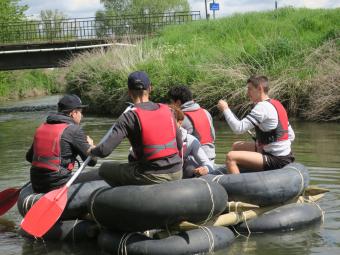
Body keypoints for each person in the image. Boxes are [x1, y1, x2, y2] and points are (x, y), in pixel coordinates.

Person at [89, 71, 183, 186]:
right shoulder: (169, 110)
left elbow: (104, 151)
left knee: (104, 168)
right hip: (177, 171)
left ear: (129, 92)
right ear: (150, 88)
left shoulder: (129, 116)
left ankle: (126, 198)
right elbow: (179, 145)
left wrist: (91, 150)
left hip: (152, 174)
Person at [217, 75, 295, 174]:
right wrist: (266, 144)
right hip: (285, 155)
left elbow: (238, 129)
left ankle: (238, 185)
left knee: (230, 157)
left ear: (259, 89)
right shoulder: (276, 104)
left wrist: (225, 109)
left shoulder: (262, 107)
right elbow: (291, 136)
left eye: (249, 89)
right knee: (236, 146)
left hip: (276, 159)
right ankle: (246, 171)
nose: (247, 93)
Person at [26, 94, 97, 193]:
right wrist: (91, 146)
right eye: (81, 112)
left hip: (36, 183)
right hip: (57, 184)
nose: (82, 115)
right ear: (73, 113)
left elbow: (29, 157)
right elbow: (92, 161)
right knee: (99, 175)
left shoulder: (42, 127)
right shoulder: (74, 130)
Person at [167, 85, 216, 163]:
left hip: (195, 160)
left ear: (178, 102)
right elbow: (213, 136)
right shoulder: (205, 112)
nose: (170, 104)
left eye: (171, 102)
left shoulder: (180, 117)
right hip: (211, 157)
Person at [169, 104, 213, 178]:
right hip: (160, 173)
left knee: (190, 168)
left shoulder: (190, 140)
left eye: (171, 122)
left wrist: (205, 169)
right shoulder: (154, 138)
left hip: (180, 173)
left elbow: (207, 163)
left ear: (180, 122)